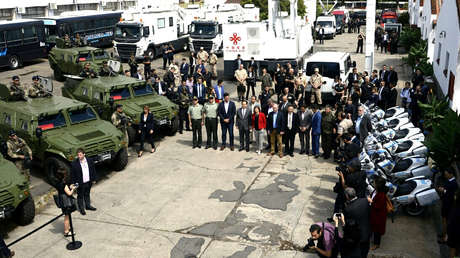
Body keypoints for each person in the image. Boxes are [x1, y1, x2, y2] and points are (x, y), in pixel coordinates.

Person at [344, 187, 371, 258]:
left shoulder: (348, 209)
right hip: (367, 232)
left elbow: (349, 224)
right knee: (364, 251)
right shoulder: (365, 201)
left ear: (347, 196)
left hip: (357, 236)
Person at [71, 148, 97, 216]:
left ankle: (88, 206)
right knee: (80, 196)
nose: (79, 156)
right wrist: (74, 183)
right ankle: (82, 209)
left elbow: (93, 170)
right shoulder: (74, 163)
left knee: (87, 194)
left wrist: (94, 179)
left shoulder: (89, 160)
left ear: (84, 154)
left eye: (80, 155)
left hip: (89, 181)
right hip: (80, 183)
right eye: (78, 155)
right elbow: (73, 174)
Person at [437, 167, 458, 245]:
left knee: (446, 221)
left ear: (451, 174)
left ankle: (445, 237)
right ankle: (444, 234)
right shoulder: (449, 181)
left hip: (448, 205)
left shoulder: (454, 183)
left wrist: (444, 190)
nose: (445, 176)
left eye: (446, 174)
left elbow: (451, 194)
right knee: (444, 220)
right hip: (445, 203)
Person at [56, 170, 77, 237]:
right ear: (63, 176)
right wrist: (73, 188)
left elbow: (65, 189)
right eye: (65, 174)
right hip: (66, 201)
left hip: (62, 200)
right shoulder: (63, 184)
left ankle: (68, 228)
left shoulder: (58, 182)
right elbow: (69, 193)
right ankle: (66, 231)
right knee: (67, 216)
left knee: (67, 216)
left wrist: (70, 186)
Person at [369, 177, 389, 251]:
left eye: (374, 182)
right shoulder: (376, 191)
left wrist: (371, 201)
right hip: (374, 214)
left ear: (378, 185)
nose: (373, 183)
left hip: (378, 216)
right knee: (373, 228)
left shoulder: (381, 195)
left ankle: (376, 244)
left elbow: (378, 206)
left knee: (377, 231)